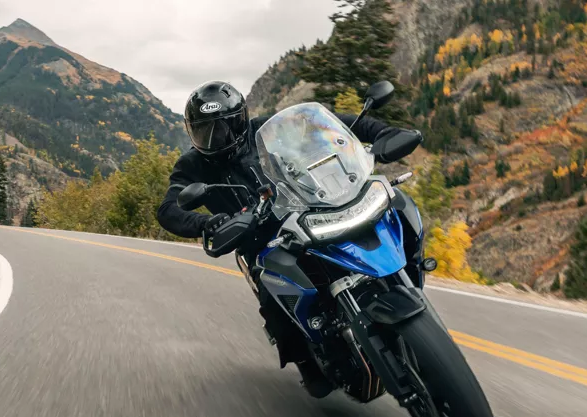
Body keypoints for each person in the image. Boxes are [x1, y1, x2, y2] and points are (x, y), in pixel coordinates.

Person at [157, 80, 414, 398]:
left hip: (308, 210)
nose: (216, 137)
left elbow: (325, 124)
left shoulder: (265, 129)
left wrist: (378, 133)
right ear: (191, 132)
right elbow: (169, 208)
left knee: (394, 209)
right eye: (205, 131)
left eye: (224, 126)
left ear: (241, 118)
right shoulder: (192, 165)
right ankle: (307, 359)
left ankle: (407, 284)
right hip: (259, 240)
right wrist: (208, 223)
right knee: (271, 292)